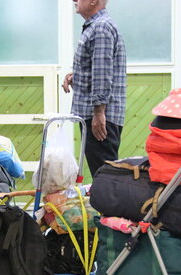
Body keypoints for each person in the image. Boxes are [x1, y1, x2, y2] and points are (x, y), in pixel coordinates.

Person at [62, 0, 126, 177]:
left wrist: (99, 112)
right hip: (96, 114)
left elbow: (102, 72)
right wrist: (77, 75)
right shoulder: (96, 27)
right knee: (104, 174)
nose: (74, 0)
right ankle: (108, 205)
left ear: (93, 1)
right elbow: (98, 66)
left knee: (105, 177)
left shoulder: (100, 28)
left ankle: (110, 206)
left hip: (98, 116)